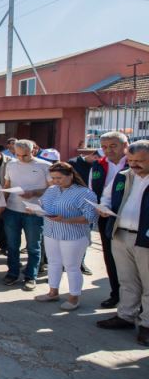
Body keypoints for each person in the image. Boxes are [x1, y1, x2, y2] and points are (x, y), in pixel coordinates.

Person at [96, 140, 149, 346]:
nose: (134, 165)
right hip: (120, 234)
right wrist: (103, 207)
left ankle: (146, 325)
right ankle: (126, 316)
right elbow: (106, 197)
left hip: (145, 239)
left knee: (148, 283)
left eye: (141, 161)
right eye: (132, 160)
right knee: (126, 280)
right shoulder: (123, 176)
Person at [32, 162, 98, 310]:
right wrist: (35, 210)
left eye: (59, 178)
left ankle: (74, 298)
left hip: (73, 235)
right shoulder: (51, 190)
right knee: (54, 263)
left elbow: (91, 216)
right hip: (51, 232)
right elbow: (44, 207)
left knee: (71, 266)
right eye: (53, 177)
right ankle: (53, 292)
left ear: (71, 175)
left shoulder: (84, 193)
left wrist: (66, 220)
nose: (56, 181)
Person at [2, 139, 51, 291]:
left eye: (25, 155)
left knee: (33, 246)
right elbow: (7, 185)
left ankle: (31, 276)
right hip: (12, 210)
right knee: (12, 245)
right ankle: (13, 273)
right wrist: (3, 204)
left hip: (34, 212)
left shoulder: (45, 166)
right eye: (18, 155)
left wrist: (35, 192)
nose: (21, 159)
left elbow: (52, 189)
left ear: (34, 151)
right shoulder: (10, 165)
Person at [89, 131, 129, 309]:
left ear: (125, 145)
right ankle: (116, 294)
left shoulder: (134, 163)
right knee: (110, 256)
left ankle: (133, 302)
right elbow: (93, 190)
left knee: (130, 261)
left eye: (113, 146)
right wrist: (99, 207)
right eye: (104, 147)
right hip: (106, 216)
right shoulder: (98, 165)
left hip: (130, 219)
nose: (108, 150)